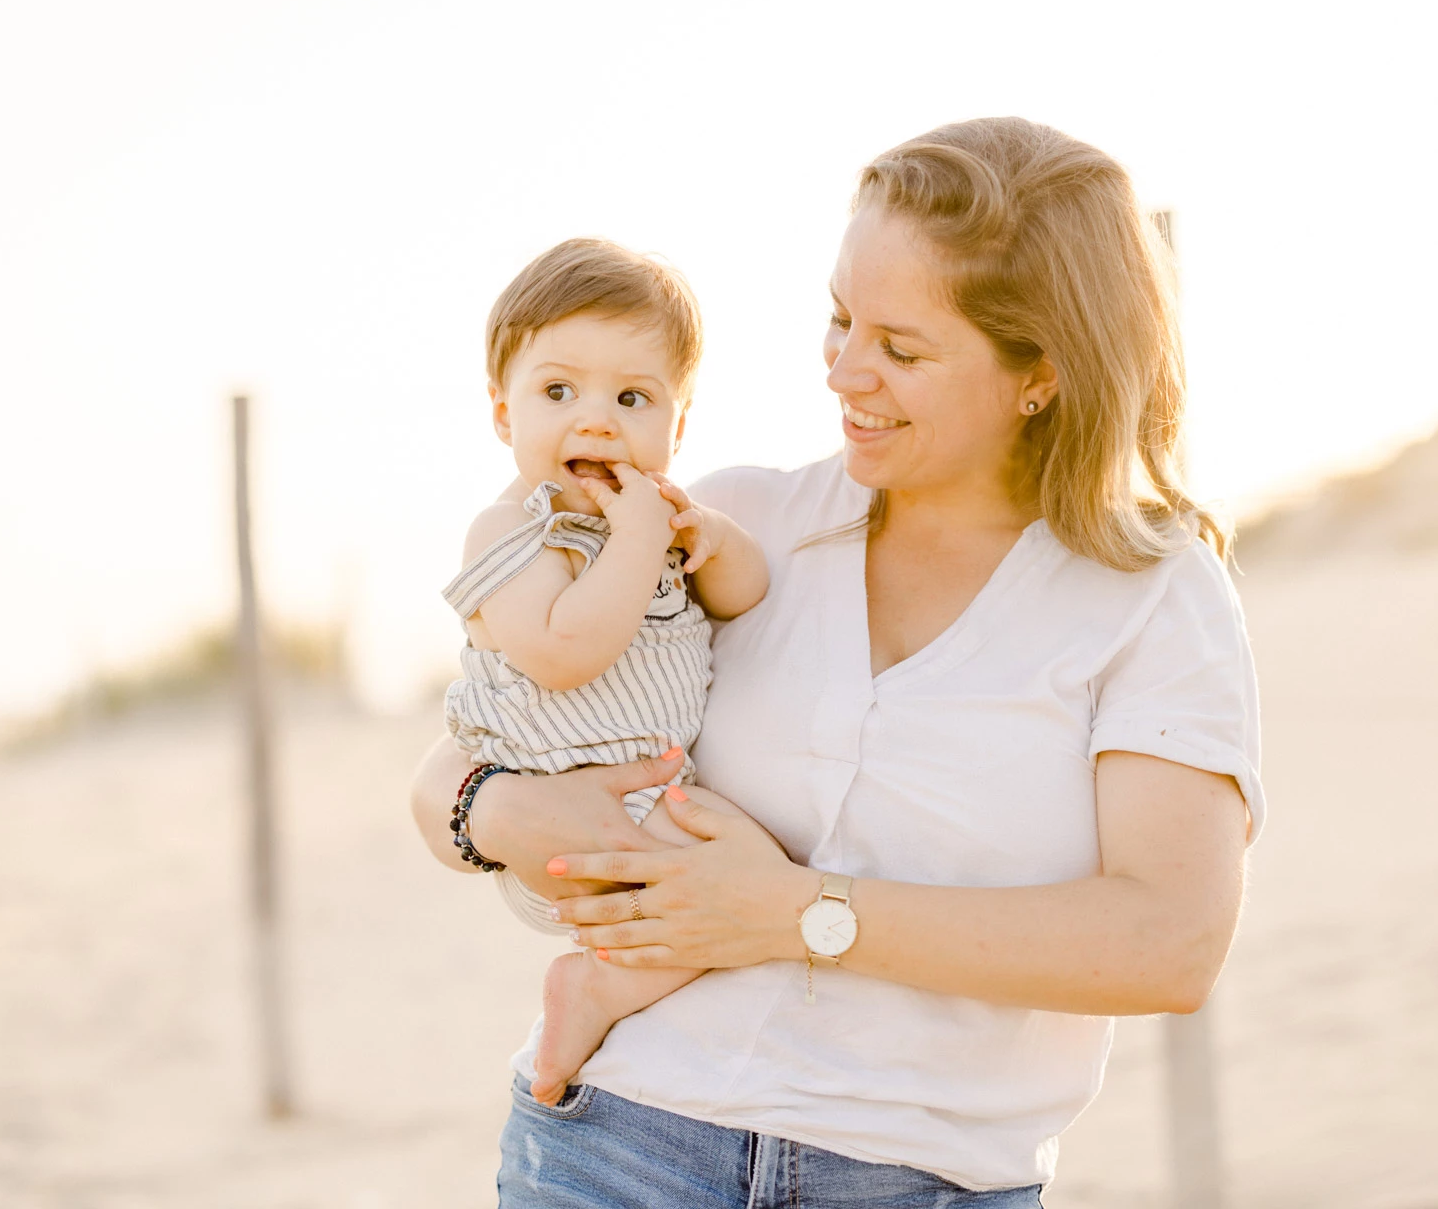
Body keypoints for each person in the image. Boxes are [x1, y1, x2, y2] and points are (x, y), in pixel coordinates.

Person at [410, 117, 1263, 1207]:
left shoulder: (1153, 593)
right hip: (615, 1148)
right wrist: (499, 811)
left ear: (1040, 373)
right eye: (840, 318)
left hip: (921, 1182)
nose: (845, 371)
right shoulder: (730, 528)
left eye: (902, 349)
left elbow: (1169, 944)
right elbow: (458, 765)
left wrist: (796, 909)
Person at [442, 238, 770, 1106]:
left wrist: (712, 540)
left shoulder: (648, 523)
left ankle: (611, 978)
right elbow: (561, 654)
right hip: (567, 803)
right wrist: (638, 540)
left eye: (631, 398)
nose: (596, 422)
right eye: (559, 392)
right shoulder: (511, 533)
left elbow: (743, 596)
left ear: (677, 426)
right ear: (503, 413)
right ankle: (593, 989)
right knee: (736, 893)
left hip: (648, 796)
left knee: (749, 881)